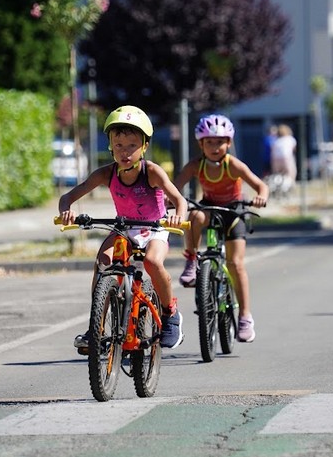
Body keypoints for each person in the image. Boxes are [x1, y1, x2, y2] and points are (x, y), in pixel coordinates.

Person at [58, 105, 188, 351]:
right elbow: (68, 197)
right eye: (119, 146)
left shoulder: (152, 172)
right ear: (110, 145)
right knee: (103, 259)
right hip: (124, 228)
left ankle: (171, 314)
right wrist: (66, 211)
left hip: (154, 228)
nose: (125, 152)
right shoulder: (106, 173)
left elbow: (179, 200)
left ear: (144, 146)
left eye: (132, 145)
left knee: (152, 262)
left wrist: (177, 218)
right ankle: (97, 326)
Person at [173, 113, 269, 343]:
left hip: (233, 211)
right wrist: (171, 200)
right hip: (209, 207)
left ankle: (245, 317)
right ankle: (192, 259)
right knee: (194, 215)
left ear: (229, 143)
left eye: (220, 142)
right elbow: (175, 187)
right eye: (209, 142)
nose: (215, 147)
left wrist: (261, 197)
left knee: (235, 264)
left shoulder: (233, 165)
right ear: (201, 144)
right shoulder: (196, 165)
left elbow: (260, 185)